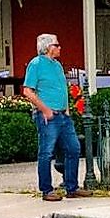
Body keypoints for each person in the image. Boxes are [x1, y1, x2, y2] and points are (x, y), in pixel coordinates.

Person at [22, 32, 81, 202]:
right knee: (46, 152)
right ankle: (46, 189)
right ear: (48, 48)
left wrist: (67, 109)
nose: (60, 48)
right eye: (57, 45)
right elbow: (28, 91)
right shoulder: (36, 64)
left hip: (63, 115)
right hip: (48, 116)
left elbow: (63, 89)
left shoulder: (57, 65)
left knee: (73, 148)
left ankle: (72, 187)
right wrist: (45, 110)